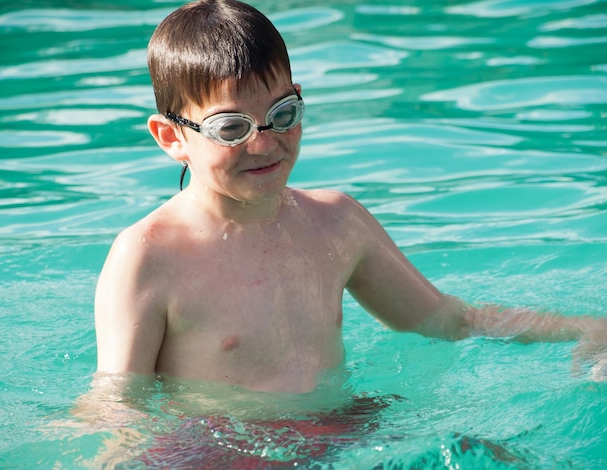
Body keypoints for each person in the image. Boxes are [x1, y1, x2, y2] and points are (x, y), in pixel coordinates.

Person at [95, 0, 606, 395]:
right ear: (172, 138)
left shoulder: (335, 225)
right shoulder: (148, 256)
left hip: (341, 430)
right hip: (224, 452)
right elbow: (118, 403)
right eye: (232, 128)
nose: (265, 143)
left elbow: (448, 319)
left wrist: (586, 327)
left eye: (284, 115)